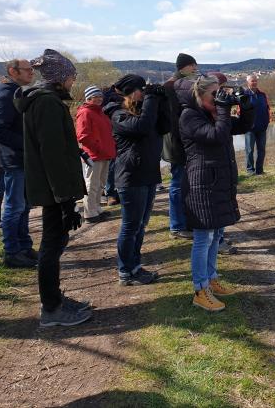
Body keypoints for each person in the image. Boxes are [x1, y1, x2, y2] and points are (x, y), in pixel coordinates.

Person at [16, 48, 91, 326]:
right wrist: (64, 200)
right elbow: (52, 154)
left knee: (56, 242)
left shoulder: (46, 100)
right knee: (51, 245)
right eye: (71, 76)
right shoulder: (46, 103)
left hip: (53, 188)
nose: (73, 81)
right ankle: (51, 308)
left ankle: (55, 299)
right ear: (59, 77)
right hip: (53, 189)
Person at [179, 76, 254, 311]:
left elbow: (244, 126)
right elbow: (217, 136)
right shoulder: (189, 116)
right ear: (200, 96)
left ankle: (211, 279)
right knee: (203, 239)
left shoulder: (213, 114)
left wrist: (246, 104)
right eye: (215, 94)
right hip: (201, 184)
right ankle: (200, 290)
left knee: (217, 234)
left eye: (220, 92)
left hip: (218, 182)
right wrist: (223, 108)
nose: (219, 97)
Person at [104, 74, 170, 286]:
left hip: (149, 174)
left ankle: (134, 266)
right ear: (132, 92)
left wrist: (162, 100)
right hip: (131, 177)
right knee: (130, 226)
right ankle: (125, 271)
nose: (145, 93)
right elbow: (141, 127)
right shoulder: (117, 114)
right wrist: (151, 100)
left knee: (141, 225)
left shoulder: (144, 111)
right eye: (142, 90)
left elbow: (165, 127)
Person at [0, 59, 37, 268]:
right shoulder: (7, 95)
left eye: (32, 70)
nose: (31, 73)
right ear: (12, 71)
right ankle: (12, 252)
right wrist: (27, 143)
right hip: (14, 160)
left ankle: (24, 246)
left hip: (23, 159)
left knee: (24, 206)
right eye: (27, 70)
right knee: (14, 207)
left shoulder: (17, 92)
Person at [163, 53, 198, 239]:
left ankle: (185, 222)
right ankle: (177, 226)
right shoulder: (171, 86)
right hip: (177, 142)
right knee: (177, 184)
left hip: (182, 140)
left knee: (186, 184)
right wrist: (186, 139)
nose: (195, 69)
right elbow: (173, 120)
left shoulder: (180, 84)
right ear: (184, 66)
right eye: (193, 66)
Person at [75, 85, 116, 223]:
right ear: (88, 98)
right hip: (93, 155)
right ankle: (90, 213)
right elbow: (82, 135)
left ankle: (97, 209)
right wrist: (98, 148)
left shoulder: (100, 112)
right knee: (92, 185)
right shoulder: (85, 112)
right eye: (95, 97)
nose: (99, 99)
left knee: (100, 184)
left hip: (105, 154)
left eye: (100, 96)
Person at [244, 74, 270, 175]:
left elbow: (267, 108)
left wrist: (267, 122)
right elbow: (239, 111)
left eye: (255, 81)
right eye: (252, 81)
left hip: (262, 127)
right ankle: (250, 170)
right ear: (248, 82)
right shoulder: (244, 95)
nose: (254, 82)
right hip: (249, 128)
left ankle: (260, 170)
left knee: (261, 150)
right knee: (250, 150)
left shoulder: (262, 95)